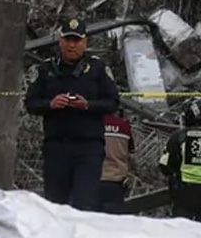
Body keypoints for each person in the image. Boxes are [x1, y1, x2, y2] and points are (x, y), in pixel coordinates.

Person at [24, 17, 119, 211]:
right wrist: (50, 104)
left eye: (76, 41)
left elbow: (113, 102)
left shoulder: (97, 69)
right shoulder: (47, 69)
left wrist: (87, 105)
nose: (71, 45)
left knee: (85, 203)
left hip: (88, 148)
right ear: (60, 41)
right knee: (55, 205)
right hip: (56, 147)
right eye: (67, 40)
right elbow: (31, 103)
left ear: (84, 42)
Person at [98, 109, 135, 213]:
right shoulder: (124, 126)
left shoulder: (92, 125)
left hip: (93, 178)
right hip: (116, 180)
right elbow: (131, 152)